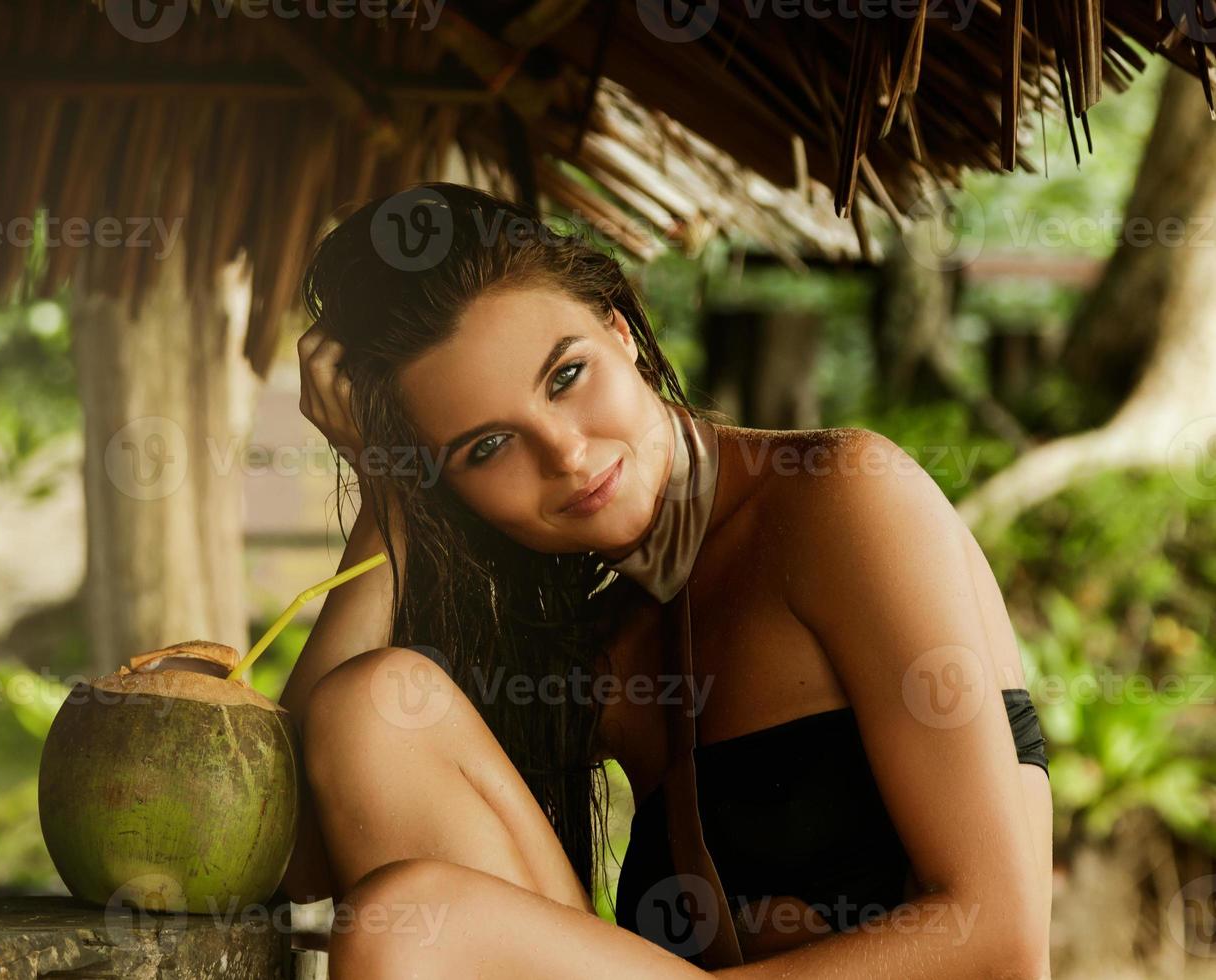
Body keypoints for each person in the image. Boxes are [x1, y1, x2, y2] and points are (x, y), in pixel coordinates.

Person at [275, 183, 1053, 978]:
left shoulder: (841, 496)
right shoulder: (603, 644)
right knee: (373, 710)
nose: (567, 455)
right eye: (486, 448)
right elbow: (301, 861)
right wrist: (390, 493)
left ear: (622, 333)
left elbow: (1002, 938)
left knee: (407, 931)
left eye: (567, 376)